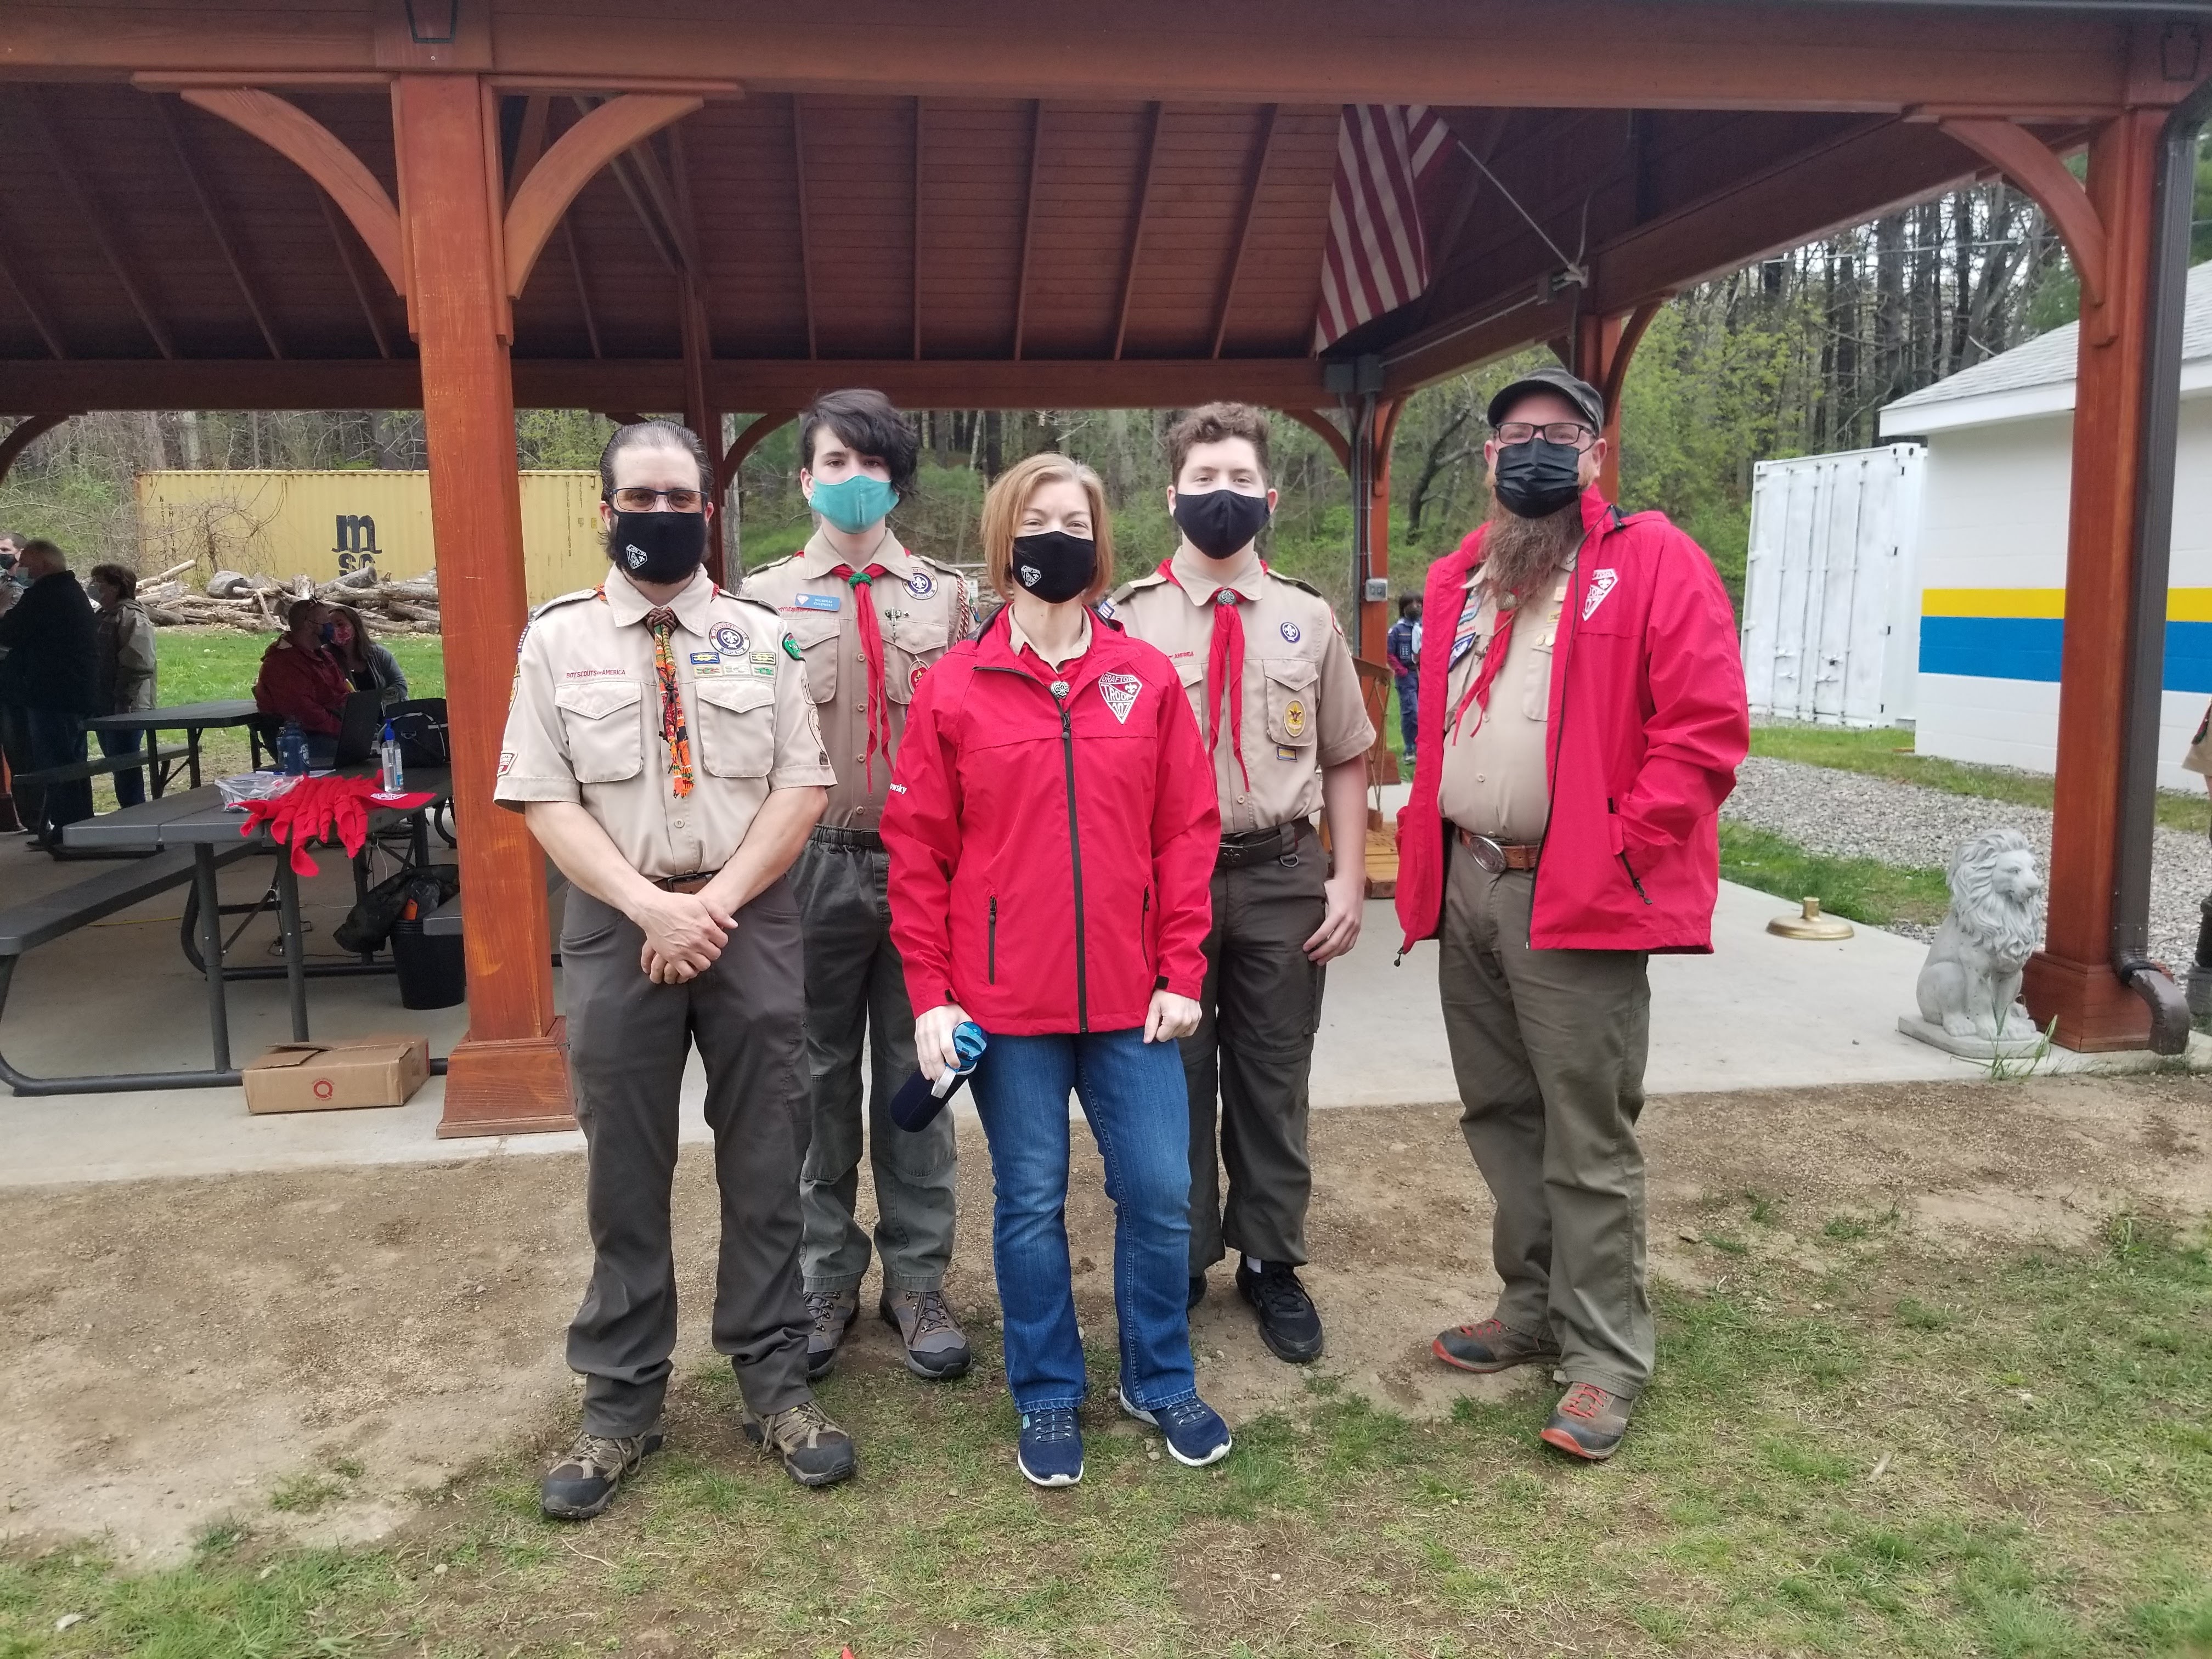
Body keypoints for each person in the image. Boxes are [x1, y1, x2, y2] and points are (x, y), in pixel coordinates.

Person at [1393, 364, 1748, 1462]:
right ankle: (1532, 1303)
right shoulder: (1467, 574)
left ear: (1594, 453)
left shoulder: (1652, 560)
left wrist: (1620, 846)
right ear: (1490, 458)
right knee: (1501, 1112)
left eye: (1559, 432)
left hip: (1575, 890)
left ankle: (1604, 1353)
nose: (1534, 449)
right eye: (1515, 435)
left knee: (1587, 1132)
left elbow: (1705, 728)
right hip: (1469, 879)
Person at [498, 419, 850, 1516]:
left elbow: (802, 785)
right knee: (624, 1167)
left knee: (769, 1157)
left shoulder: (761, 636)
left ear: (709, 510)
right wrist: (653, 906)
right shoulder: (556, 641)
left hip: (748, 914)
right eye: (642, 499)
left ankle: (775, 1383)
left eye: (681, 499)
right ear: (606, 513)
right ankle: (619, 1402)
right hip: (619, 922)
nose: (663, 516)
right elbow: (543, 797)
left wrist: (712, 905)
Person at [883, 453, 1229, 1487]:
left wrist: (1181, 968)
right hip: (1006, 1007)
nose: (1057, 538)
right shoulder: (953, 687)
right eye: (1038, 520)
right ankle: (1044, 1389)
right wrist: (932, 995)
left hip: (1132, 999)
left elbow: (1185, 831)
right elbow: (918, 852)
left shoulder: (1146, 678)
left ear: (1100, 542)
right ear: (1005, 539)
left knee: (1159, 1190)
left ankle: (1158, 1375)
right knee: (1029, 1200)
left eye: (1075, 522)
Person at [1107, 403, 1374, 1365]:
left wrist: (1348, 878)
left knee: (1272, 1074)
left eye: (1239, 480)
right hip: (1164, 881)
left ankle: (1270, 1260)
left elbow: (1346, 753)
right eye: (1203, 479)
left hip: (1280, 873)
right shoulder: (1124, 620)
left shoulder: (1309, 618)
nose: (1222, 495)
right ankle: (1178, 1257)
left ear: (1270, 496)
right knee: (1170, 1077)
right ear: (1171, 495)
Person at [739, 389, 975, 1384]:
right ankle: (825, 1275)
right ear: (805, 480)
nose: (853, 479)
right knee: (815, 1081)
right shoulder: (760, 600)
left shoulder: (945, 598)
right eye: (835, 462)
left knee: (923, 1075)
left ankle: (917, 1280)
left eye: (871, 463)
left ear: (896, 479)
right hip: (810, 864)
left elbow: (973, 742)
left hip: (923, 866)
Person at [0, 539, 99, 849]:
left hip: (50, 695)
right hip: (73, 693)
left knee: (56, 765)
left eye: (27, 564)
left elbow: (10, 632)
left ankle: (67, 829)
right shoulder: (70, 591)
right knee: (73, 763)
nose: (22, 570)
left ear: (44, 564)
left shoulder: (45, 595)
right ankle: (80, 825)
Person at [87, 563, 158, 808]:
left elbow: (139, 662)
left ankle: (134, 812)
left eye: (99, 581)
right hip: (105, 704)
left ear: (116, 587)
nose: (93, 586)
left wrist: (123, 699)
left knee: (126, 765)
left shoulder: (132, 617)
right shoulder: (103, 615)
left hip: (127, 707)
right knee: (117, 763)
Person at [253, 599, 350, 765]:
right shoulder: (281, 664)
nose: (331, 627)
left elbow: (343, 693)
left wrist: (358, 724)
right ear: (309, 625)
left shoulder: (324, 657)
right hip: (300, 738)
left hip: (330, 730)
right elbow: (305, 714)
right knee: (357, 756)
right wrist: (344, 731)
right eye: (326, 623)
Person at [324, 603, 409, 708]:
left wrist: (377, 702)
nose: (335, 630)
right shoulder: (325, 659)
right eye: (330, 626)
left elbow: (401, 685)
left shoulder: (378, 653)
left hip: (387, 713)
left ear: (355, 625)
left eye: (340, 624)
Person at [1387, 594, 1423, 753]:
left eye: (1419, 603)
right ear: (1404, 607)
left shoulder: (1425, 628)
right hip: (1407, 675)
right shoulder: (1397, 630)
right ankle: (1410, 747)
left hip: (1424, 673)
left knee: (1426, 712)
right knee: (1411, 711)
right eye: (1411, 604)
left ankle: (1424, 746)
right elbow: (1389, 653)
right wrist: (1401, 671)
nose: (1416, 607)